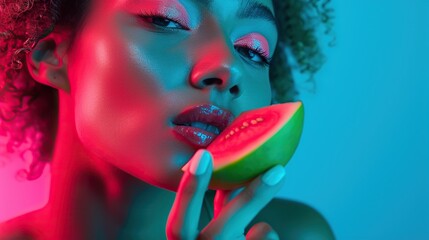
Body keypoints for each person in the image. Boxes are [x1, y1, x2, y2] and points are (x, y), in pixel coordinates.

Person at [0, 0, 335, 239]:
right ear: (50, 56)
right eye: (166, 19)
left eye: (252, 49)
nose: (227, 65)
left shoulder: (295, 234)